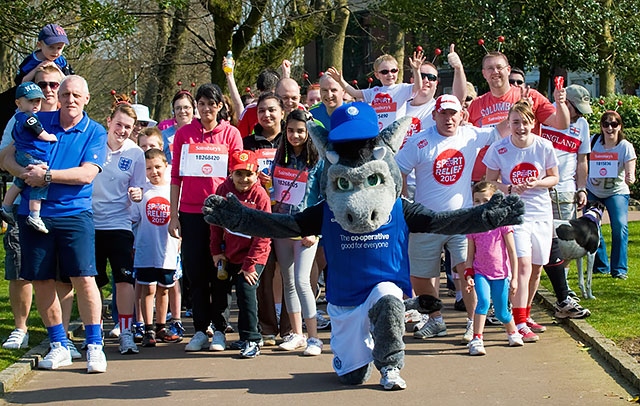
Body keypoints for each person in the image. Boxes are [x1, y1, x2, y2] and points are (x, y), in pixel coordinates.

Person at [0, 75, 108, 372]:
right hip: (34, 216)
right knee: (41, 280)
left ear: (86, 99)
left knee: (84, 279)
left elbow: (87, 174)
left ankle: (95, 346)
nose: (70, 99)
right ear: (57, 97)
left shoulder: (95, 132)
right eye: (65, 94)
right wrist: (24, 172)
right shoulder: (37, 120)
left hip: (74, 214)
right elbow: (5, 157)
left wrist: (46, 177)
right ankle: (59, 344)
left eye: (76, 95)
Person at [395, 95, 501, 344]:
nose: (448, 118)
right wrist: (404, 202)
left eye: (453, 113)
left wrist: (521, 100)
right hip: (425, 220)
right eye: (443, 113)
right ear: (434, 115)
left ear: (461, 115)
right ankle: (435, 319)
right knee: (420, 276)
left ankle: (472, 323)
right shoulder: (420, 142)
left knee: (468, 271)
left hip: (462, 219)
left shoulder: (470, 135)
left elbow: (501, 130)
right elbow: (398, 169)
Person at [169, 83, 243, 352]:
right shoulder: (184, 135)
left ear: (220, 105)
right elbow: (176, 175)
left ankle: (221, 329)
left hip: (221, 214)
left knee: (220, 273)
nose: (206, 108)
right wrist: (173, 214)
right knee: (196, 273)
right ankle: (200, 330)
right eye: (201, 104)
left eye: (211, 104)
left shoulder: (231, 134)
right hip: (190, 213)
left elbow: (239, 174)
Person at [483, 100, 559, 342]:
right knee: (523, 266)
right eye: (516, 122)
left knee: (537, 268)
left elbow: (554, 178)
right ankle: (518, 323)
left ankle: (524, 314)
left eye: (525, 122)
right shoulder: (499, 148)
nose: (521, 127)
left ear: (533, 123)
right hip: (515, 215)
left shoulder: (544, 146)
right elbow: (489, 183)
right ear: (509, 123)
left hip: (541, 213)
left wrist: (536, 183)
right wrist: (509, 187)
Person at [0, 66, 64, 352]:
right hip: (24, 205)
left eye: (54, 85)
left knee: (63, 274)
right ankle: (20, 328)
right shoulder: (21, 119)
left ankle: (61, 336)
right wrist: (27, 174)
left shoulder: (69, 119)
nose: (48, 90)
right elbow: (4, 157)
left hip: (62, 207)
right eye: (43, 84)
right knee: (20, 269)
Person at [92, 101, 149, 355]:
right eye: (119, 124)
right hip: (89, 221)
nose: (122, 130)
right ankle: (94, 333)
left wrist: (137, 193)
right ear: (108, 121)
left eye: (128, 127)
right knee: (90, 280)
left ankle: (126, 332)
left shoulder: (135, 153)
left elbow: (139, 187)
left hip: (119, 223)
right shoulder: (93, 143)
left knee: (124, 279)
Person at [270, 109, 323, 355]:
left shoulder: (319, 160)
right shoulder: (280, 157)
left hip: (306, 229)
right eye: (290, 130)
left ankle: (314, 338)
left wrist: (315, 230)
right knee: (289, 281)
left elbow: (323, 197)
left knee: (303, 281)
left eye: (300, 131)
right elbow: (275, 188)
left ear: (308, 132)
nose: (295, 135)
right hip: (283, 224)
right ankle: (298, 334)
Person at [210, 150, 272, 358]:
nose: (244, 179)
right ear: (230, 173)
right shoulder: (223, 190)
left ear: (256, 174)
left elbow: (264, 234)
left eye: (248, 174)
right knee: (220, 290)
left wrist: (250, 264)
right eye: (238, 174)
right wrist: (216, 252)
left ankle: (253, 339)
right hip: (228, 253)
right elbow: (215, 224)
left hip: (254, 253)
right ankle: (223, 331)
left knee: (246, 290)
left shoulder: (260, 195)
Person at [539, 84, 593, 320]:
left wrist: (582, 188)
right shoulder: (545, 117)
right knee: (541, 241)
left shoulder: (582, 125)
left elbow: (582, 160)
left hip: (566, 191)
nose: (579, 114)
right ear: (565, 102)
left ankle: (564, 289)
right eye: (576, 108)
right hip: (541, 189)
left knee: (566, 245)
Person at [242, 92, 292, 345]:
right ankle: (267, 327)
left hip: (287, 214)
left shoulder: (292, 138)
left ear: (282, 112)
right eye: (262, 110)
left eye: (272, 110)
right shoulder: (247, 143)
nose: (267, 115)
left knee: (288, 272)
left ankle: (290, 328)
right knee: (263, 268)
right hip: (259, 215)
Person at [464, 181, 524, 355]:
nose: (481, 205)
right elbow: (469, 256)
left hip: (500, 274)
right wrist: (469, 274)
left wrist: (513, 278)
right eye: (477, 201)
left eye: (485, 200)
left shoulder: (502, 224)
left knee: (501, 312)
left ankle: (512, 332)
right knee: (482, 302)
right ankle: (477, 339)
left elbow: (513, 253)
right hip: (480, 273)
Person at [131, 148, 182, 347]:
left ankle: (161, 326)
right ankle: (148, 328)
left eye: (158, 167)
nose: (154, 172)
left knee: (163, 289)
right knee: (148, 288)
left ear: (166, 166)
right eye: (149, 168)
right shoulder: (142, 192)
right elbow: (134, 218)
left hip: (168, 249)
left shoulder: (172, 190)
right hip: (146, 248)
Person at [1, 83, 58, 233]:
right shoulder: (30, 118)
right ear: (18, 103)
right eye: (31, 101)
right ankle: (34, 215)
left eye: (38, 101)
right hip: (32, 155)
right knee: (40, 180)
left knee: (19, 182)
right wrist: (50, 137)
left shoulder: (18, 118)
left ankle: (6, 206)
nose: (35, 105)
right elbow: (39, 132)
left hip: (22, 154)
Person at [587, 110, 637, 279]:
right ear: (601, 126)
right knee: (592, 227)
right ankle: (601, 266)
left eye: (614, 124)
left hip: (616, 192)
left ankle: (619, 269)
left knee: (620, 226)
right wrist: (587, 177)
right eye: (606, 124)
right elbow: (583, 162)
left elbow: (630, 172)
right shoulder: (593, 141)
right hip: (593, 191)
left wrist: (630, 177)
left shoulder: (625, 146)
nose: (610, 128)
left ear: (620, 126)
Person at [327, 51, 424, 130]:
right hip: (378, 135)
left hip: (396, 136)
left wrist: (416, 70)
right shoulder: (374, 91)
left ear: (398, 71)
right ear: (377, 75)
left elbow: (418, 87)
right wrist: (341, 81)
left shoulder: (402, 88)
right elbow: (354, 93)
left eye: (393, 70)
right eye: (385, 72)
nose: (390, 74)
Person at [236, 69, 280, 137]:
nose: (266, 115)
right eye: (263, 91)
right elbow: (241, 139)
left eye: (271, 92)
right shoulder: (249, 111)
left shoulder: (285, 108)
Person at [161, 90, 196, 164]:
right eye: (178, 108)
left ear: (193, 109)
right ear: (173, 111)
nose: (182, 111)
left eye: (186, 107)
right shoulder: (164, 135)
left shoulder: (201, 133)